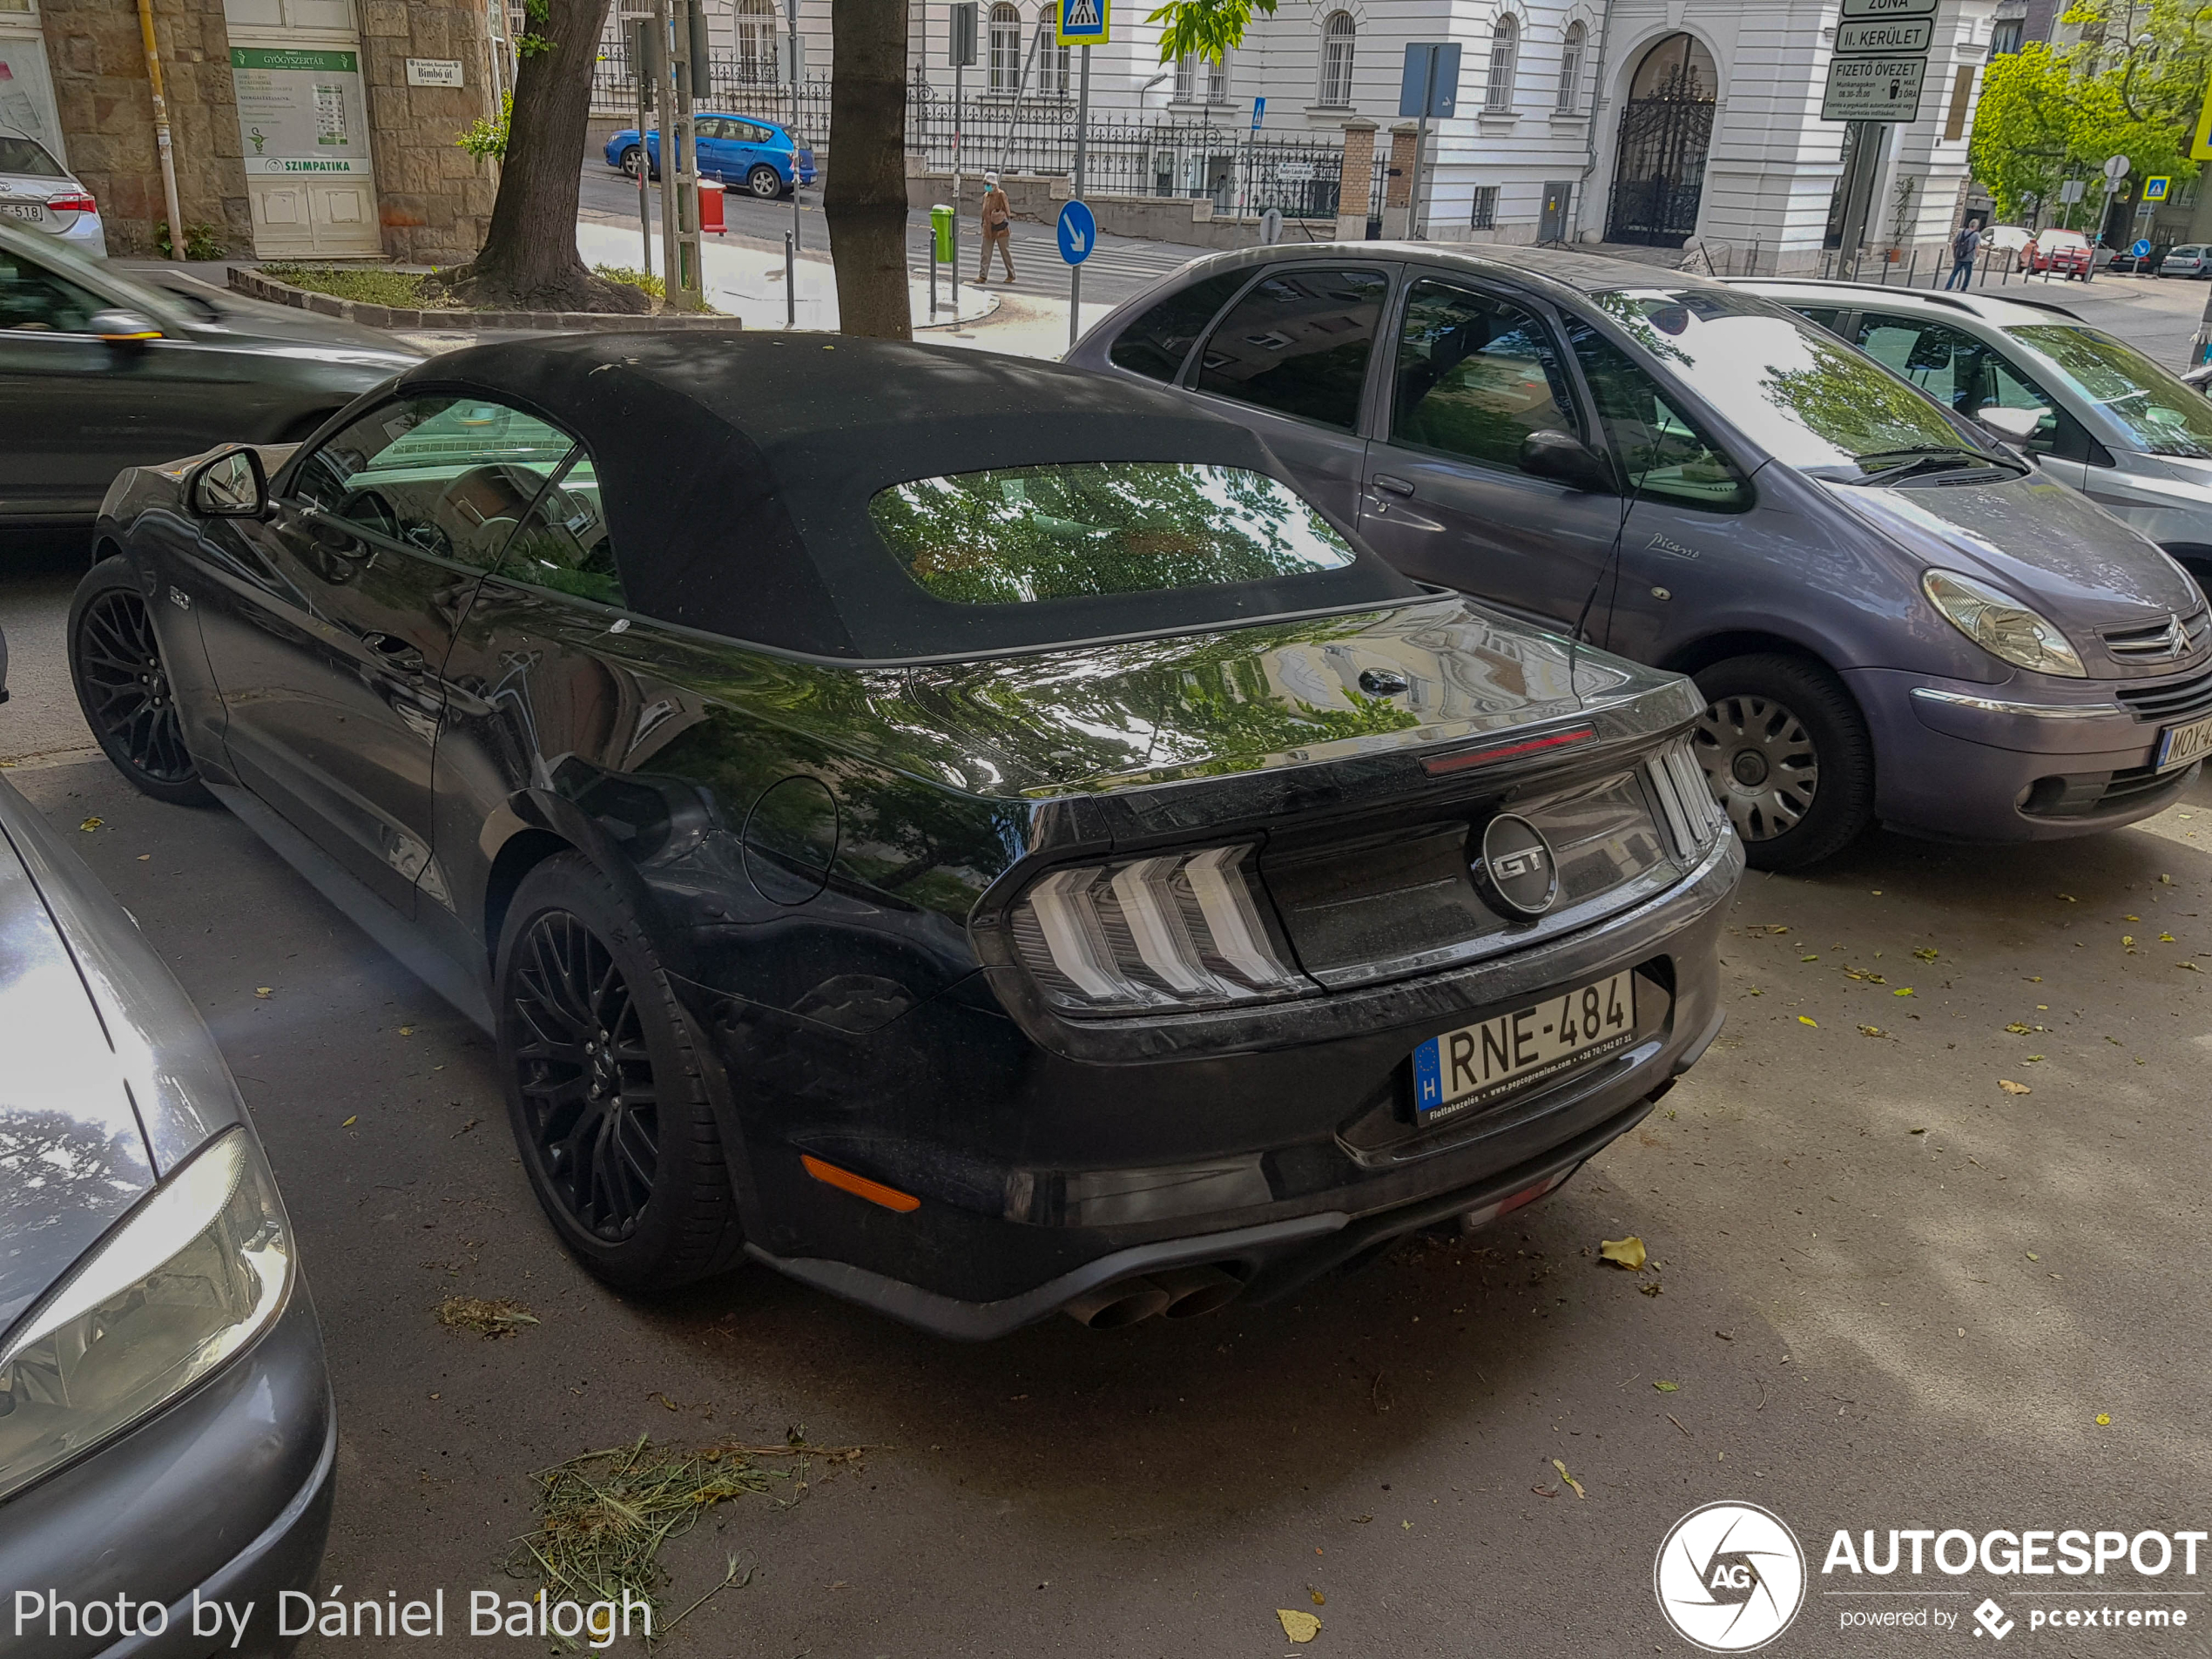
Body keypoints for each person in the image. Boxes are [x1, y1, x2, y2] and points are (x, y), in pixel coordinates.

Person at [977, 173, 1015, 284]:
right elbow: (984, 212)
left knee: (1005, 252)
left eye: (988, 184)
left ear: (994, 184)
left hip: (1000, 229)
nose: (986, 186)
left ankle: (1011, 274)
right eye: (985, 184)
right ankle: (982, 276)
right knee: (985, 253)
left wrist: (999, 215)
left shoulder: (1001, 194)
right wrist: (983, 224)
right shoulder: (986, 196)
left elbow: (1007, 211)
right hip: (987, 228)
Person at [1946, 219, 1983, 290]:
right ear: (1977, 226)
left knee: (1954, 273)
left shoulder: (1961, 232)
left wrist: (1955, 253)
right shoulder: (1976, 235)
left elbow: (1953, 244)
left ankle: (1948, 287)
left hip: (1959, 257)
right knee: (1967, 275)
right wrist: (1977, 256)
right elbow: (1977, 247)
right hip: (1969, 258)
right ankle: (1963, 289)